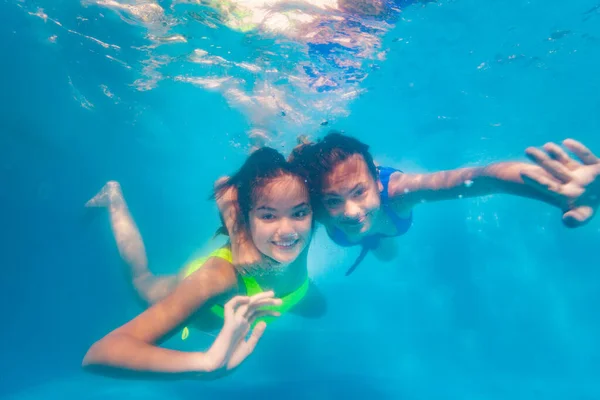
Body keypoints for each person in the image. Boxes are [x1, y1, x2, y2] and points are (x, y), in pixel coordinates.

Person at [82, 147, 323, 379]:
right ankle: (113, 199)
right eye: (268, 216)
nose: (288, 231)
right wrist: (203, 364)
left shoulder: (300, 228)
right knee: (140, 280)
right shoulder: (218, 279)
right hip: (191, 290)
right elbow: (100, 353)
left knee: (319, 309)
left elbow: (236, 183)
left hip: (279, 293)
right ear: (245, 217)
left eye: (300, 214)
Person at [230, 132, 600, 275]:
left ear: (376, 182)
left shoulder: (399, 193)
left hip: (387, 225)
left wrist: (555, 188)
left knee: (385, 251)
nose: (351, 211)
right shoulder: (310, 203)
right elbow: (228, 189)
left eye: (359, 192)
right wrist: (241, 240)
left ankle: (374, 238)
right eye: (333, 201)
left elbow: (479, 177)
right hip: (370, 226)